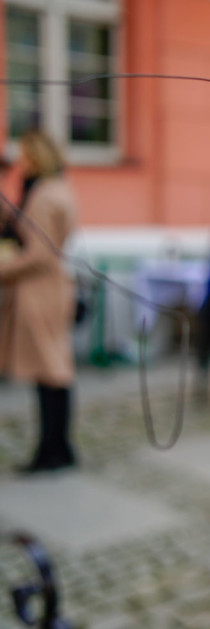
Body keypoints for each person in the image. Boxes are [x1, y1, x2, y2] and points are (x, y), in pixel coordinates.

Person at [0, 130, 79, 472]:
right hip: (50, 288)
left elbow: (39, 255)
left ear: (36, 158)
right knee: (53, 372)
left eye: (25, 156)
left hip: (39, 291)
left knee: (50, 372)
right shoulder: (57, 189)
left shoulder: (45, 196)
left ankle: (52, 452)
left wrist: (3, 271)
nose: (20, 163)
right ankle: (59, 447)